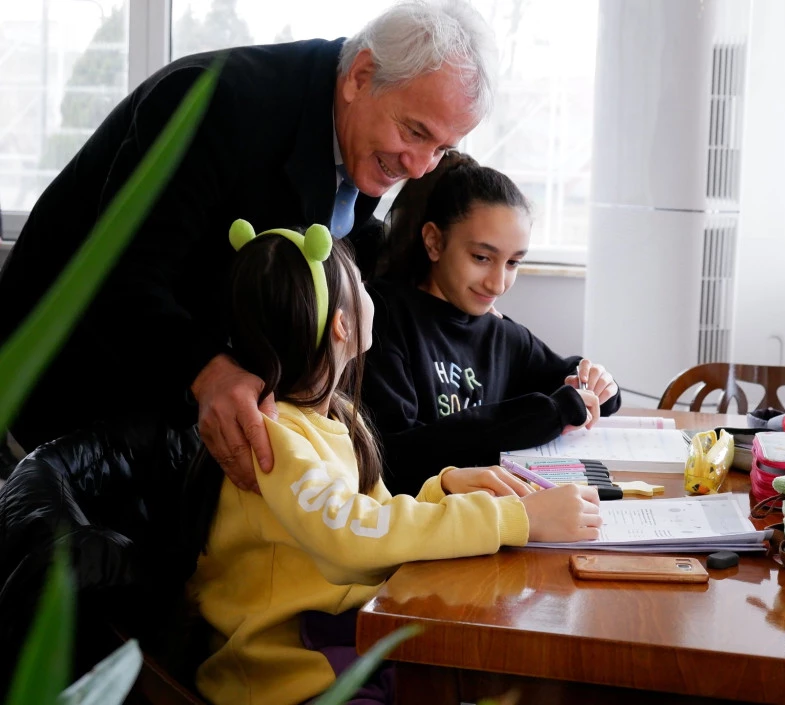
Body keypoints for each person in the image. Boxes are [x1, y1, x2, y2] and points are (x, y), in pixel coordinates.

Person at [0, 1, 496, 493]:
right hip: (64, 401)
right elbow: (119, 277)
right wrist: (208, 371)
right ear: (360, 76)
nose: (419, 168)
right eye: (416, 133)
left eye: (442, 149)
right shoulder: (216, 104)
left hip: (164, 420)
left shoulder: (365, 137)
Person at [185, 218, 602, 705]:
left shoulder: (336, 418)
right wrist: (517, 518)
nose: (372, 293)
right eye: (361, 284)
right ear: (343, 325)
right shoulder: (276, 438)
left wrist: (442, 490)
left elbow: (376, 520)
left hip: (341, 647)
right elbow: (351, 536)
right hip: (284, 679)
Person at [362, 152, 622, 497]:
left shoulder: (500, 333)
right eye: (482, 258)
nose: (497, 284)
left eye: (513, 262)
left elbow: (566, 379)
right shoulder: (381, 317)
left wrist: (600, 385)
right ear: (434, 242)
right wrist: (545, 413)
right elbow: (393, 455)